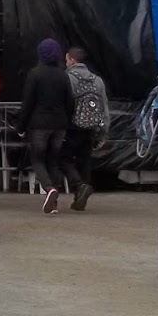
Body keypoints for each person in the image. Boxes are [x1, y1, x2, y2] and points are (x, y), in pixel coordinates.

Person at [14, 38, 82, 215]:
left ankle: (49, 188)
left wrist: (21, 125)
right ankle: (54, 203)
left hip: (38, 124)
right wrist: (67, 120)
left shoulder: (34, 74)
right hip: (59, 124)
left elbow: (28, 102)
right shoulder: (63, 75)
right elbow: (70, 102)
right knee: (53, 161)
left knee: (37, 159)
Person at [64, 46, 107, 211]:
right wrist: (103, 132)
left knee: (64, 159)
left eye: (66, 60)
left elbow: (65, 104)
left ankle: (79, 186)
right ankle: (80, 198)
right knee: (85, 160)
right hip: (91, 127)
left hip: (72, 126)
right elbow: (104, 108)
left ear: (72, 59)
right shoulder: (97, 80)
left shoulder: (68, 78)